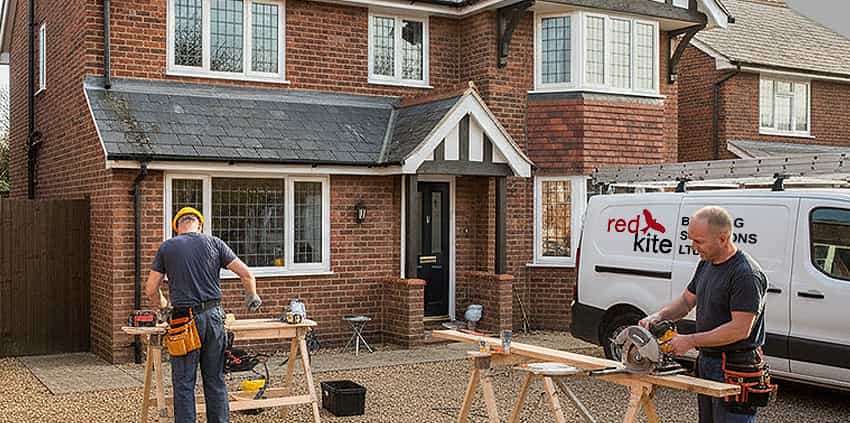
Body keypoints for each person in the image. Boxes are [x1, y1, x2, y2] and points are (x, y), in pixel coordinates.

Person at [639, 206, 767, 423]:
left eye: (699, 241)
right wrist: (658, 316)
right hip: (708, 361)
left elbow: (739, 329)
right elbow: (686, 301)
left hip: (734, 367)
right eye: (691, 240)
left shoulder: (745, 274)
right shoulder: (706, 264)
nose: (693, 246)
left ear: (723, 238)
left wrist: (690, 340)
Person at [145, 207, 262, 423]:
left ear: (177, 228)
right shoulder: (215, 243)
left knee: (184, 383)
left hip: (183, 322)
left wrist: (163, 305)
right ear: (199, 225)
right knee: (215, 379)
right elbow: (246, 274)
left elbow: (151, 289)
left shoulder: (168, 247)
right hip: (214, 317)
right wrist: (252, 297)